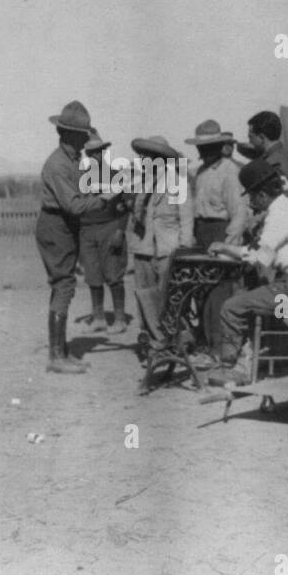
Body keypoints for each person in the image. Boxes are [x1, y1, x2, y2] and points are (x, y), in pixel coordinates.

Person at [206, 159, 288, 386]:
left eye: (251, 196)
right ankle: (280, 358)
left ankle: (234, 368)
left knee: (233, 306)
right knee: (265, 303)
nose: (250, 202)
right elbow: (267, 256)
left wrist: (224, 247)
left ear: (262, 195)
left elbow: (257, 257)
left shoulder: (279, 215)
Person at [37, 100, 113, 374]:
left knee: (63, 284)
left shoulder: (70, 161)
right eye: (82, 135)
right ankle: (56, 357)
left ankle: (61, 351)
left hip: (63, 226)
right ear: (68, 134)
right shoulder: (57, 165)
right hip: (56, 226)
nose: (86, 140)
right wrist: (103, 200)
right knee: (63, 284)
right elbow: (74, 205)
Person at [185, 120, 248, 354]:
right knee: (201, 290)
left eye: (207, 146)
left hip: (220, 232)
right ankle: (205, 341)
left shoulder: (230, 172)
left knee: (219, 293)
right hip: (202, 233)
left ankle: (221, 346)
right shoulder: (200, 173)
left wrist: (228, 247)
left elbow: (238, 214)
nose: (202, 151)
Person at [127, 135, 193, 352]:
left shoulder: (177, 182)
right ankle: (150, 337)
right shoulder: (141, 182)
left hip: (168, 249)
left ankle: (171, 338)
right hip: (144, 248)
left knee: (168, 296)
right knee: (144, 294)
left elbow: (186, 219)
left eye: (150, 157)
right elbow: (135, 215)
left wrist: (183, 250)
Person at [78, 131, 130, 335]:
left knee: (113, 274)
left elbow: (126, 206)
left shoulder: (117, 176)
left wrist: (120, 231)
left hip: (110, 227)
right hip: (87, 230)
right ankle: (98, 317)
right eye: (91, 153)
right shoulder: (80, 178)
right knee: (92, 275)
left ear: (104, 152)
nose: (95, 156)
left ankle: (120, 318)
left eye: (98, 152)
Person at [247, 110, 288, 212]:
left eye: (251, 137)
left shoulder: (271, 163)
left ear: (261, 137)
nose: (249, 142)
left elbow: (284, 199)